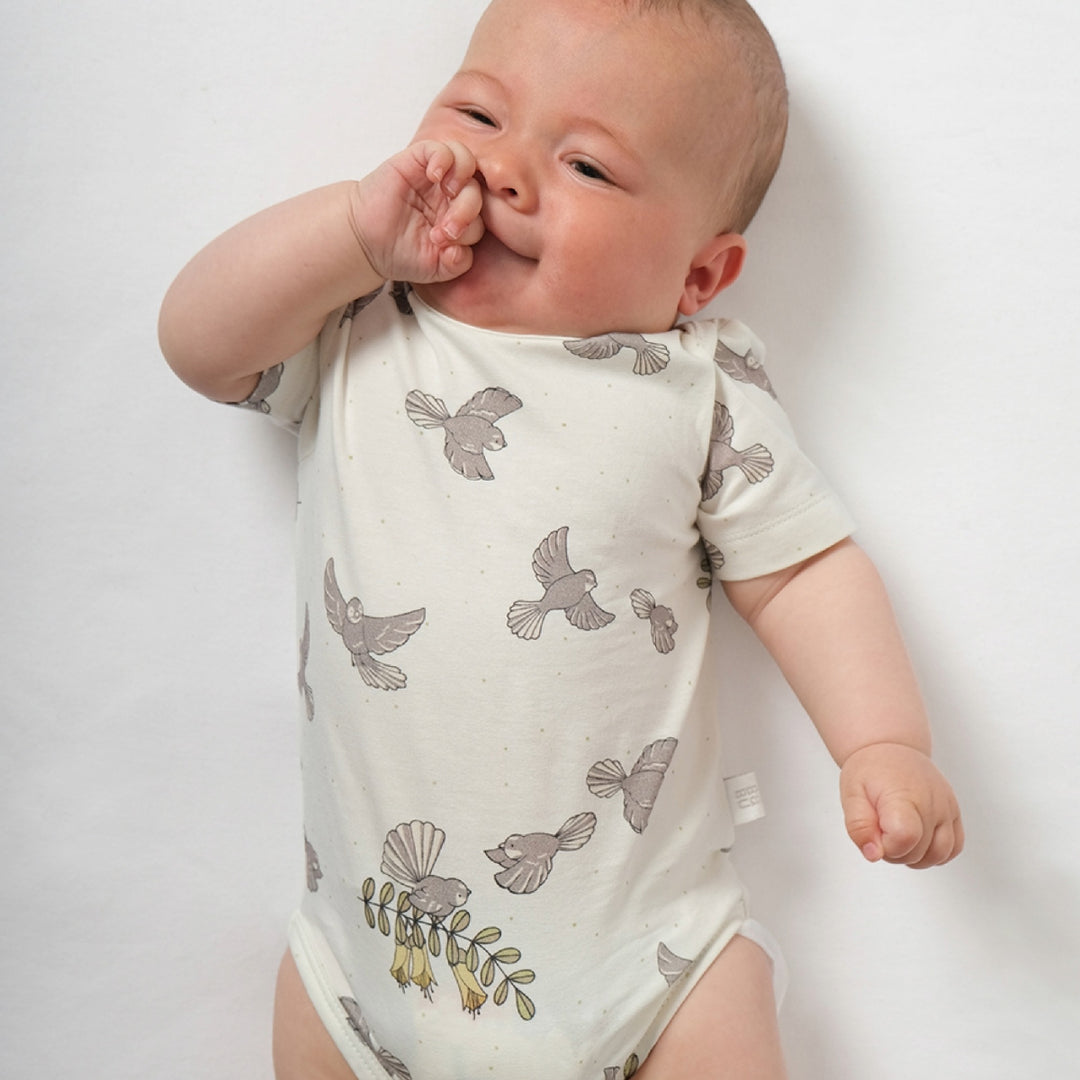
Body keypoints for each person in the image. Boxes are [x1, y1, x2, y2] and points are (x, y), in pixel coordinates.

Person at [158, 0, 964, 1077]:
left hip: (650, 964)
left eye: (586, 166)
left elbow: (803, 571)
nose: (504, 172)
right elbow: (197, 345)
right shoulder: (360, 326)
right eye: (478, 115)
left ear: (698, 276)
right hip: (365, 959)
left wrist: (884, 742)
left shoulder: (697, 389)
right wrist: (350, 232)